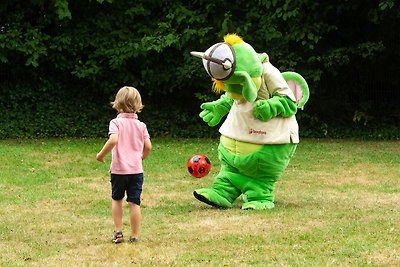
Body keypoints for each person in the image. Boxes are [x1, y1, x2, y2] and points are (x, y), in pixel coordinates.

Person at [96, 86, 152, 243]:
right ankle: (134, 236)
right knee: (134, 203)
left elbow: (113, 140)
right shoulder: (141, 126)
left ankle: (118, 232)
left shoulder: (116, 123)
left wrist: (101, 155)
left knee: (117, 199)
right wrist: (141, 158)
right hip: (136, 171)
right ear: (138, 104)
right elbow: (148, 146)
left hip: (119, 170)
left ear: (117, 103)